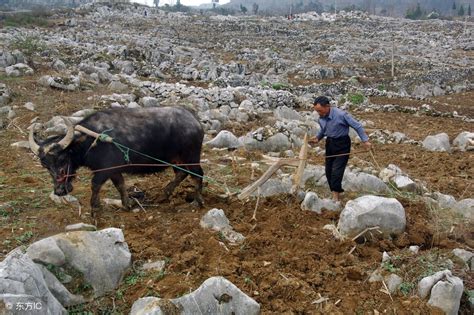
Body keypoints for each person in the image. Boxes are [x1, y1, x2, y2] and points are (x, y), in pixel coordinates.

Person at [309, 96, 372, 202]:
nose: (318, 113)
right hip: (330, 144)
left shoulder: (341, 115)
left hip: (342, 144)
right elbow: (324, 130)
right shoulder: (321, 117)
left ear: (327, 106)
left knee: (336, 171)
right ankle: (335, 191)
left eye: (319, 110)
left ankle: (336, 196)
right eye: (316, 111)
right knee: (328, 170)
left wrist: (365, 141)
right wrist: (317, 138)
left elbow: (357, 126)